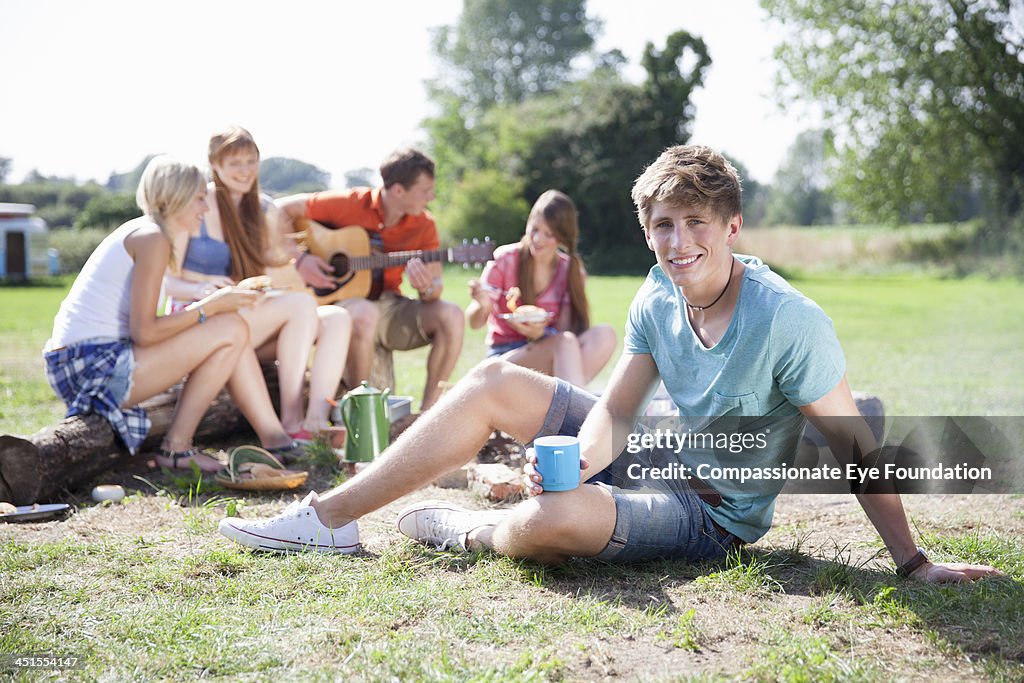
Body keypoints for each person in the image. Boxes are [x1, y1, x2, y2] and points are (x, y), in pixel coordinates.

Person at [220, 145, 1001, 584]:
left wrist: (913, 562)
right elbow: (617, 409)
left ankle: (470, 529)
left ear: (732, 226)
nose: (679, 241)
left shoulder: (789, 320)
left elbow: (857, 447)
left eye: (697, 222)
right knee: (494, 381)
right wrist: (581, 460)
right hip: (647, 447)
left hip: (709, 512)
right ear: (648, 229)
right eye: (664, 224)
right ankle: (329, 520)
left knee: (557, 518)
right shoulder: (659, 297)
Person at [44, 155, 288, 473]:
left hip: (80, 361)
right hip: (89, 366)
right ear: (177, 197)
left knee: (229, 327)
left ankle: (272, 437)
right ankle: (178, 449)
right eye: (200, 198)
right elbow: (144, 333)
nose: (205, 208)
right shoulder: (152, 238)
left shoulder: (147, 233)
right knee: (229, 327)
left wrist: (210, 309)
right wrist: (210, 307)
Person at [164, 126, 351, 439]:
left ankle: (315, 422)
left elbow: (275, 265)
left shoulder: (263, 208)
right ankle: (291, 422)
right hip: (201, 316)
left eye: (251, 161)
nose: (245, 170)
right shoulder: (197, 204)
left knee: (337, 318)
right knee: (302, 304)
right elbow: (168, 282)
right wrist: (202, 288)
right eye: (235, 163)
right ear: (215, 165)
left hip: (248, 314)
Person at [274, 148, 463, 411]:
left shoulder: (425, 225)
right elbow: (278, 210)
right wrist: (299, 258)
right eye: (425, 190)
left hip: (389, 304)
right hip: (339, 303)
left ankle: (429, 412)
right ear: (398, 191)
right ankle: (360, 412)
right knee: (365, 313)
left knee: (451, 314)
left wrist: (426, 288)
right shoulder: (349, 202)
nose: (431, 196)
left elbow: (435, 289)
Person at [466, 190, 617, 387]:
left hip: (548, 353)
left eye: (549, 234)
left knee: (604, 335)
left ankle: (553, 404)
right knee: (565, 344)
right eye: (534, 229)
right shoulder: (505, 259)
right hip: (503, 358)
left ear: (563, 237)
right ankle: (573, 412)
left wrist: (539, 334)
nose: (538, 239)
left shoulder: (569, 271)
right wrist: (483, 305)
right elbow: (474, 322)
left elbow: (563, 332)